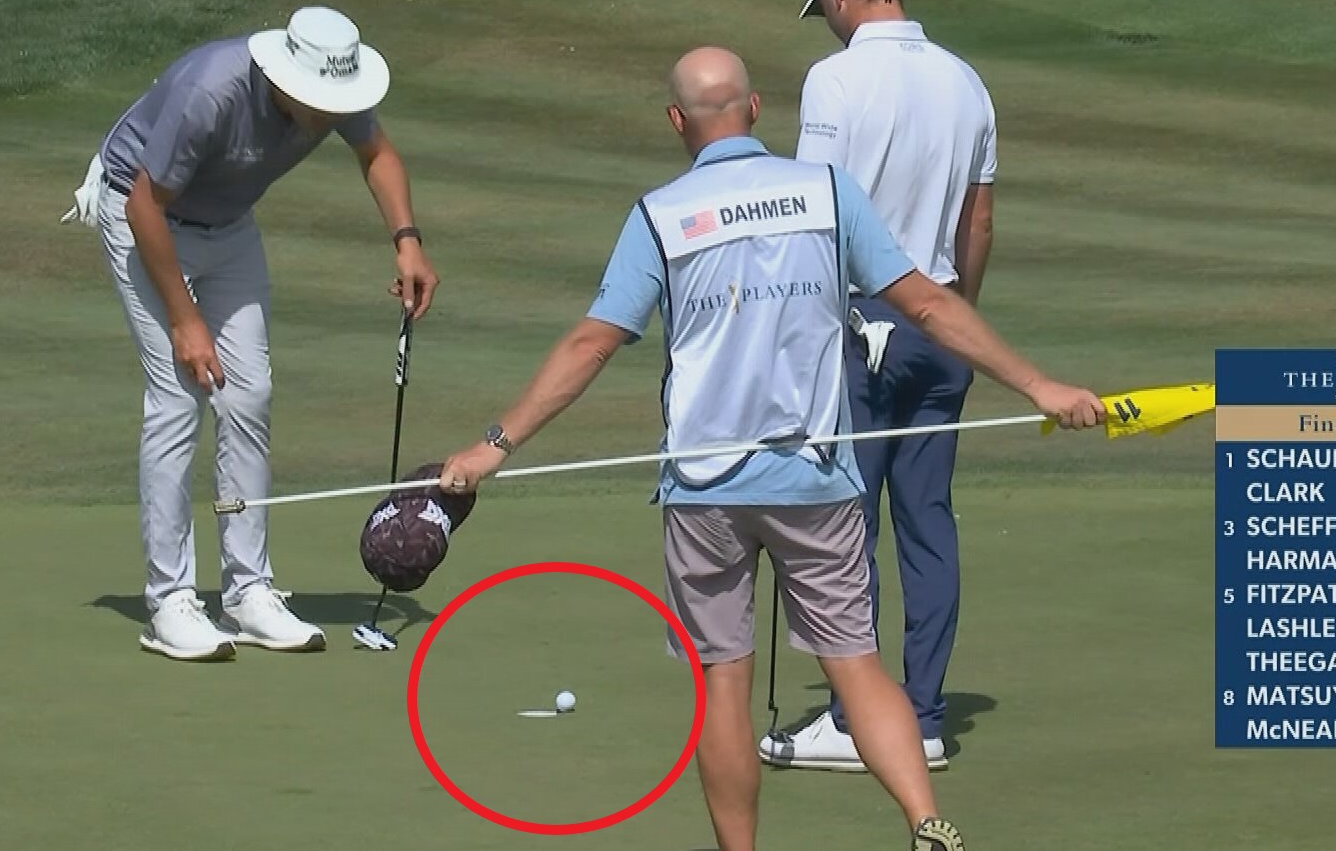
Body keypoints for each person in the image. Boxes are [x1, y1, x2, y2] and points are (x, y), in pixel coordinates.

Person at [437, 47, 1102, 851]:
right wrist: (1039, 387)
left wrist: (493, 445)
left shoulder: (661, 214)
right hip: (814, 478)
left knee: (724, 681)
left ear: (678, 123)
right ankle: (927, 822)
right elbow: (927, 302)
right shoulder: (827, 192)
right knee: (856, 663)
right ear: (755, 111)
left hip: (704, 491)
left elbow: (591, 345)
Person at [61, 6, 440, 661]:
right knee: (180, 395)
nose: (330, 114)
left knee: (248, 394)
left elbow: (377, 154)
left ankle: (247, 590)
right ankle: (170, 603)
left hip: (228, 226)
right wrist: (186, 321)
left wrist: (407, 241)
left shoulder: (332, 90)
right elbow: (143, 205)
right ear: (284, 78)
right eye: (319, 101)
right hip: (143, 214)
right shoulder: (211, 92)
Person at [760, 0, 999, 771]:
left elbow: (811, 211)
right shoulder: (968, 83)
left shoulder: (835, 78)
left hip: (858, 323)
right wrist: (956, 320)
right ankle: (924, 718)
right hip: (940, 328)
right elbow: (978, 222)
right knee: (927, 521)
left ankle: (855, 718)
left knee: (842, 524)